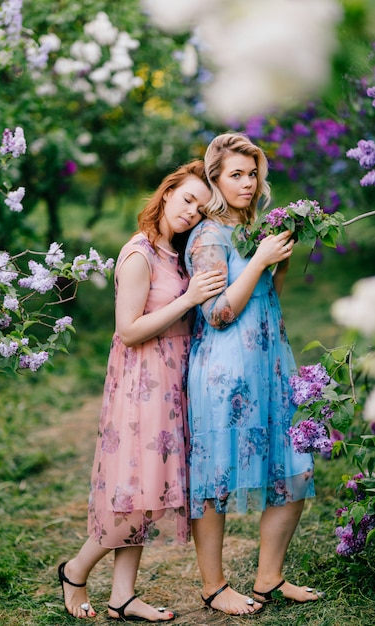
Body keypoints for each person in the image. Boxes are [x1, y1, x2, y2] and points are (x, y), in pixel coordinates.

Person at [57, 160, 226, 621]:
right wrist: (188, 299)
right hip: (142, 387)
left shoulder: (174, 253)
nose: (192, 212)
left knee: (146, 494)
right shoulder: (139, 254)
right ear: (167, 192)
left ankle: (122, 597)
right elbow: (128, 331)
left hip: (172, 383)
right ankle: (75, 570)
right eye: (187, 199)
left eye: (201, 208)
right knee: (136, 494)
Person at [184, 132, 322, 617]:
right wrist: (259, 259)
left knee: (292, 468)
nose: (247, 183)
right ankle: (213, 585)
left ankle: (269, 578)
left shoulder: (253, 230)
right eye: (236, 175)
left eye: (253, 174)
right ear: (216, 180)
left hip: (269, 360)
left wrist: (275, 258)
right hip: (224, 371)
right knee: (215, 479)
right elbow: (217, 313)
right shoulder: (208, 238)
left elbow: (271, 295)